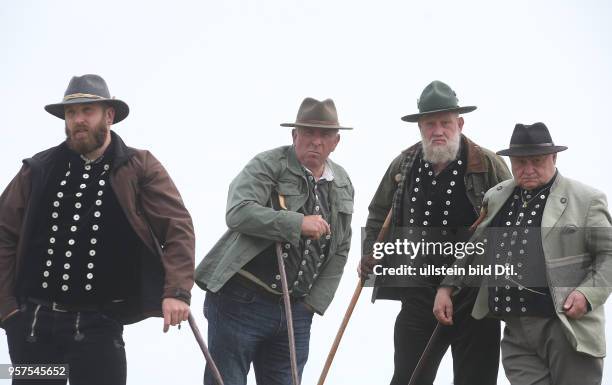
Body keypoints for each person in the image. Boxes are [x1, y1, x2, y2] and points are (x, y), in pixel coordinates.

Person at [0, 74, 195, 385]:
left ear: (109, 115)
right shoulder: (38, 168)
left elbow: (178, 228)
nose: (78, 120)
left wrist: (177, 292)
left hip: (98, 326)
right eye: (71, 113)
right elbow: (3, 232)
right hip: (32, 327)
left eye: (87, 111)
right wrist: (7, 311)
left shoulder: (139, 165)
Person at [434, 122, 612, 385]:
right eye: (520, 162)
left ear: (554, 157)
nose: (528, 170)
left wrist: (587, 294)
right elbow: (476, 246)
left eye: (537, 161)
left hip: (566, 327)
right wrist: (447, 287)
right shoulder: (497, 196)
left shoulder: (586, 199)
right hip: (516, 331)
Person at [195, 97, 354, 385]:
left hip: (296, 311)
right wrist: (297, 223)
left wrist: (311, 305)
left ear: (336, 142)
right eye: (308, 132)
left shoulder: (342, 182)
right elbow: (238, 211)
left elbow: (341, 247)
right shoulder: (269, 165)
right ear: (295, 135)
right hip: (240, 301)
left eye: (324, 135)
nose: (316, 141)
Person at [361, 80, 511, 385]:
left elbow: (512, 221)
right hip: (418, 292)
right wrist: (370, 252)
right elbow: (378, 213)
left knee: (476, 380)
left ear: (460, 122)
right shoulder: (402, 164)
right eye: (430, 124)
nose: (438, 130)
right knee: (408, 378)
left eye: (445, 122)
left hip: (475, 296)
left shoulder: (488, 164)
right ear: (420, 126)